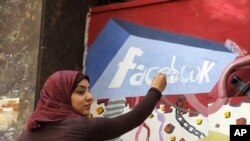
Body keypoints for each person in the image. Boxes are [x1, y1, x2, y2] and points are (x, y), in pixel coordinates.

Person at [18, 70, 167, 141]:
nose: (90, 97)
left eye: (89, 90)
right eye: (81, 92)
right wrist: (155, 90)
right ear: (60, 96)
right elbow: (132, 119)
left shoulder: (30, 130)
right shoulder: (80, 127)